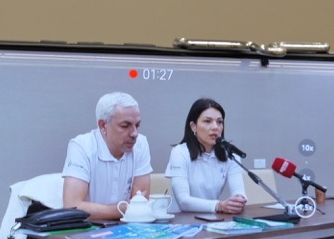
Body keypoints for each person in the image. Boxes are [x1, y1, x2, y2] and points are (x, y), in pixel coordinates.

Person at [61, 91, 153, 221]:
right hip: (88, 228)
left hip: (127, 227)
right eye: (125, 126)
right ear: (103, 126)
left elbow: (141, 204)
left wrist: (127, 209)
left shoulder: (141, 144)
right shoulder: (82, 146)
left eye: (137, 125)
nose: (134, 134)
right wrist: (124, 209)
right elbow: (72, 207)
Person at [164, 97, 247, 215]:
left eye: (219, 122)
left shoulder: (229, 154)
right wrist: (219, 205)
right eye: (207, 121)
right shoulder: (180, 152)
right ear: (193, 126)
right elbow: (183, 201)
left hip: (212, 218)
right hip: (181, 219)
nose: (215, 127)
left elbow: (238, 191)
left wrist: (238, 200)